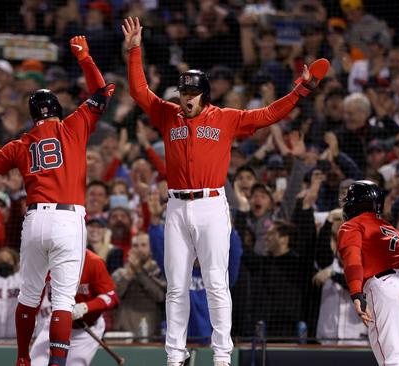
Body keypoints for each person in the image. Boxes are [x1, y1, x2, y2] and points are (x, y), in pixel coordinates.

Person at [122, 17, 326, 366]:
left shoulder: (225, 118)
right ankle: (174, 355)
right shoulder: (168, 114)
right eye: (183, 93)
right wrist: (134, 51)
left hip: (211, 205)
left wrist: (301, 90)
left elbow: (268, 115)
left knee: (216, 282)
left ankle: (221, 355)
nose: (186, 99)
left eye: (192, 93)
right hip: (176, 207)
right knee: (176, 285)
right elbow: (140, 92)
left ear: (205, 93)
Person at [0, 36, 114, 366]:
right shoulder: (74, 125)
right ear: (57, 109)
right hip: (68, 218)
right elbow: (101, 92)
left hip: (34, 221)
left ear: (32, 116)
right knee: (61, 301)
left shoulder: (20, 145)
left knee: (29, 296)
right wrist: (85, 57)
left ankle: (22, 358)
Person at [338, 180, 399, 366]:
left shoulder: (352, 225)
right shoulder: (389, 226)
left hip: (389, 287)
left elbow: (352, 259)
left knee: (395, 361)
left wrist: (356, 293)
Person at [31, 249, 118, 366]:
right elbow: (36, 294)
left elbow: (112, 298)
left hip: (85, 330)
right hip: (57, 323)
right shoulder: (47, 260)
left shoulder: (93, 262)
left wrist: (84, 308)